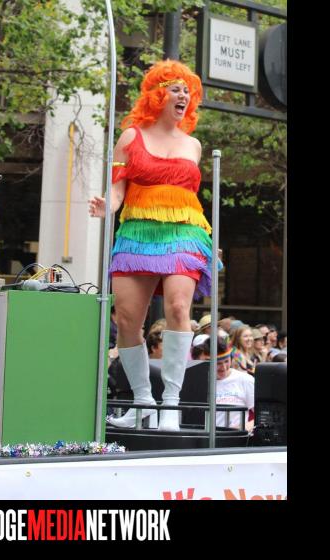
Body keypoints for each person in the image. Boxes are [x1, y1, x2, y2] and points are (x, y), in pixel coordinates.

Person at [89, 60, 215, 431]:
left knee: (178, 306)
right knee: (128, 319)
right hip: (137, 232)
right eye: (176, 89)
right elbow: (117, 189)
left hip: (183, 230)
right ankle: (143, 401)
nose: (183, 96)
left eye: (187, 91)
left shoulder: (193, 145)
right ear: (158, 95)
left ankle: (171, 403)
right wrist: (107, 205)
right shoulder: (130, 137)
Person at [196, 336, 254, 431]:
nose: (223, 367)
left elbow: (261, 415)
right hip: (205, 436)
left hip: (236, 437)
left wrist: (243, 428)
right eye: (218, 363)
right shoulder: (199, 380)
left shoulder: (245, 380)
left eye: (226, 361)